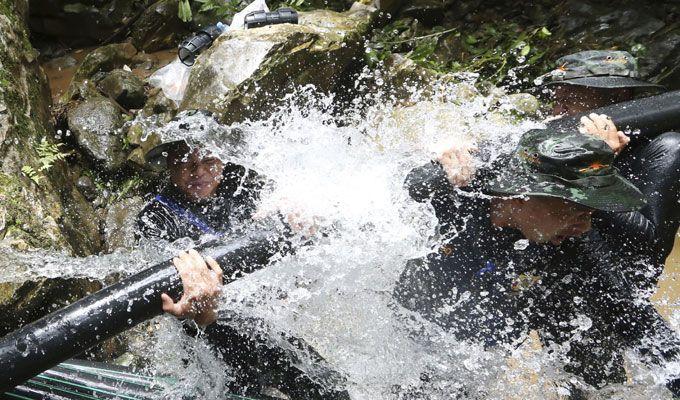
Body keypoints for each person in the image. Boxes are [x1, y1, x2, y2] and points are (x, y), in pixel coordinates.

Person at [135, 110, 346, 399]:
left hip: (261, 318)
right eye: (187, 162)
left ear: (221, 160)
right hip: (203, 328)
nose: (198, 172)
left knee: (331, 390)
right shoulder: (156, 217)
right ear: (170, 164)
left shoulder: (242, 182)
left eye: (208, 161)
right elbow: (161, 288)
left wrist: (296, 205)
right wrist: (194, 307)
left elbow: (290, 195)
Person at [536, 50, 680, 390]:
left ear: (617, 99)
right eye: (556, 99)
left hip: (615, 289)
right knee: (586, 389)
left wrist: (597, 167)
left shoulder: (667, 149)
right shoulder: (559, 149)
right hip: (557, 282)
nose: (557, 111)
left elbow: (647, 244)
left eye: (569, 98)